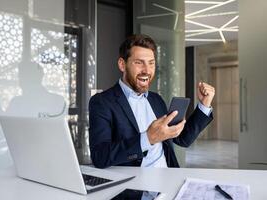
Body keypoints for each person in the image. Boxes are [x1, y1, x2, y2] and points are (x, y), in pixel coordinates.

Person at [89, 34, 215, 169]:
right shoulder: (102, 102)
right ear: (122, 64)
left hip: (168, 179)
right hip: (135, 187)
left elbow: (182, 139)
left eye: (151, 63)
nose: (147, 70)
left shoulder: (156, 100)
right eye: (139, 62)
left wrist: (204, 105)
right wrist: (148, 139)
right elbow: (100, 157)